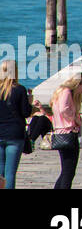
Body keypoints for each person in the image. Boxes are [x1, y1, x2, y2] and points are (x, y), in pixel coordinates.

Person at [50, 73, 82, 189]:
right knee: (69, 172)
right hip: (68, 133)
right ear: (77, 84)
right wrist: (75, 118)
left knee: (66, 171)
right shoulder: (66, 92)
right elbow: (63, 109)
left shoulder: (61, 92)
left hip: (61, 133)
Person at [0, 60, 34, 189]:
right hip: (15, 134)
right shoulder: (19, 89)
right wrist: (29, 101)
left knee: (1, 172)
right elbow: (26, 113)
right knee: (10, 173)